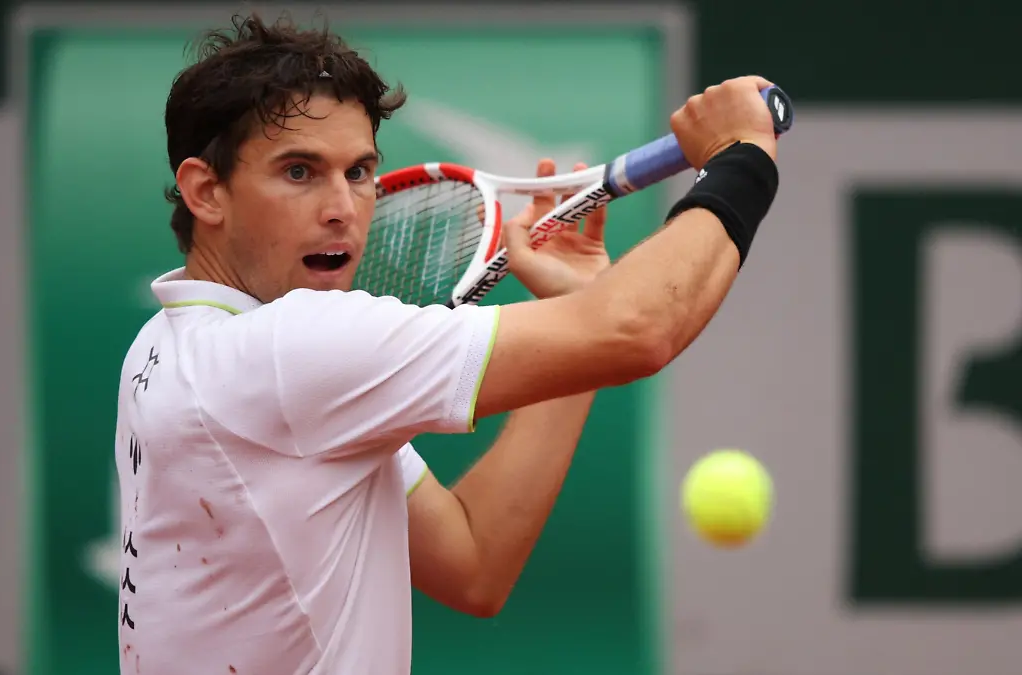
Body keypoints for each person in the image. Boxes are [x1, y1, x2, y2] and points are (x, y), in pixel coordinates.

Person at [113, 12, 782, 675]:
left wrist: (570, 307)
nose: (343, 206)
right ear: (206, 191)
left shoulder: (163, 348)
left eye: (359, 171)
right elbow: (640, 327)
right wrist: (741, 160)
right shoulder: (290, 353)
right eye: (298, 172)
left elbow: (473, 563)